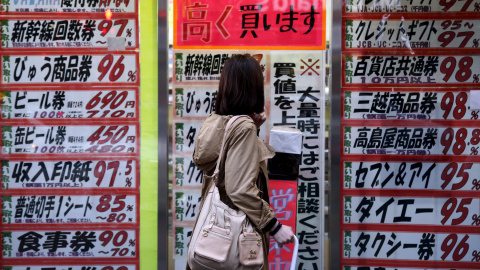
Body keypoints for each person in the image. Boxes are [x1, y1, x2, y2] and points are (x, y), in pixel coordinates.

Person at [186, 54, 295, 270]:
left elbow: (227, 168)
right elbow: (239, 188)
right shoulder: (243, 127)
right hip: (236, 239)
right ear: (253, 86)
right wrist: (273, 226)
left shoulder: (216, 121)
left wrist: (252, 129)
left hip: (214, 235)